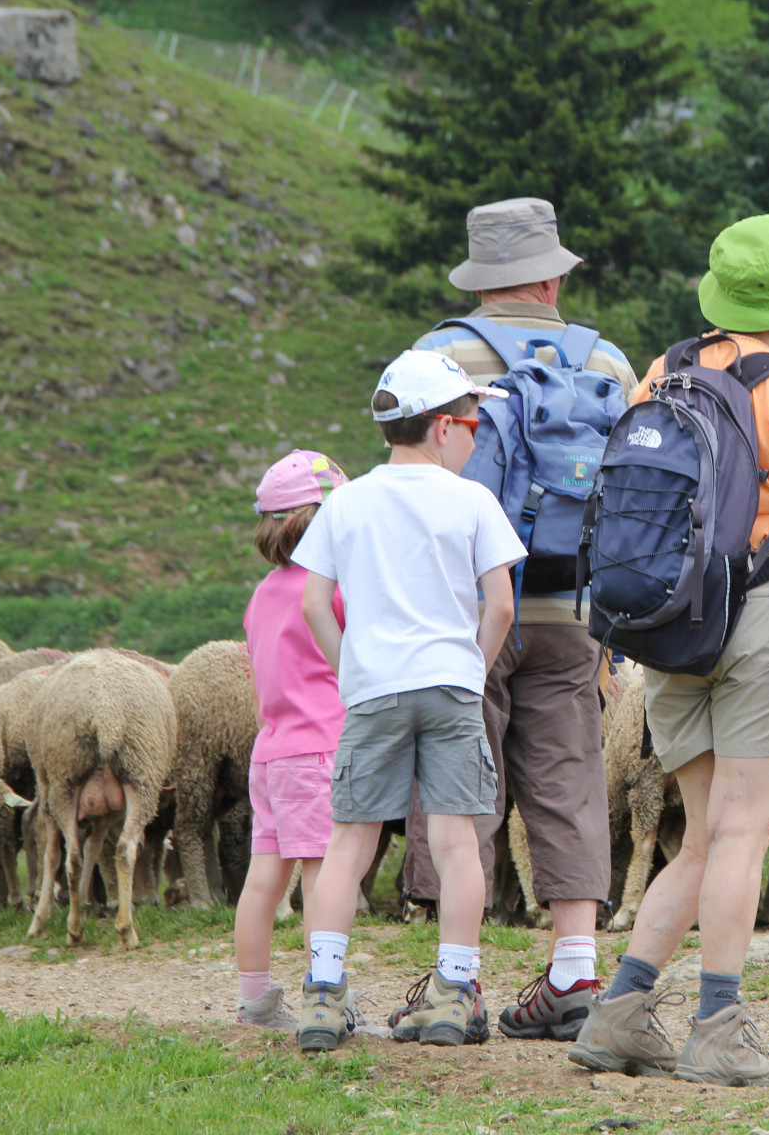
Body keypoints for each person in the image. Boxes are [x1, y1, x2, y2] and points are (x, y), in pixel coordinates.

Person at [568, 213, 769, 1088]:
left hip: (668, 618)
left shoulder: (667, 368)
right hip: (761, 617)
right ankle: (721, 1028)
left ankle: (618, 1014)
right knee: (741, 831)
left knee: (699, 837)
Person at [406, 197, 638, 1040]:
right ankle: (575, 971)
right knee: (570, 774)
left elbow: (407, 482)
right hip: (573, 605)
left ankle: (453, 978)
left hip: (466, 610)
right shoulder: (608, 360)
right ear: (549, 277)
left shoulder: (437, 354)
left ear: (483, 279)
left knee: (459, 779)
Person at [288, 350, 527, 1053]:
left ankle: (324, 995)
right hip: (450, 686)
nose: (477, 434)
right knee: (456, 843)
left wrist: (350, 671)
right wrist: (472, 671)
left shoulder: (348, 500)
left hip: (374, 690)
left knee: (349, 842)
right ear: (444, 428)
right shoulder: (472, 500)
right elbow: (503, 607)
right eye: (475, 421)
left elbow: (312, 602)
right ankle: (455, 991)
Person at [234, 449, 351, 1030]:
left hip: (271, 750)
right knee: (321, 877)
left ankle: (254, 997)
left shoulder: (261, 594)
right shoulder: (331, 589)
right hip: (319, 750)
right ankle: (324, 995)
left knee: (263, 879)